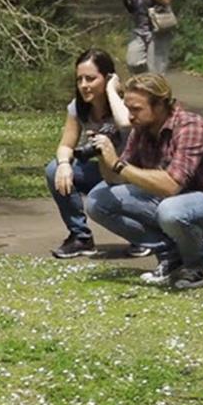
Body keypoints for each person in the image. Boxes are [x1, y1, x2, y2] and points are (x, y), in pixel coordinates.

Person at [85, 73, 203, 289]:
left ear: (159, 106)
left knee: (171, 211)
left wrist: (119, 165)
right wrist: (105, 156)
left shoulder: (191, 128)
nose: (129, 116)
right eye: (128, 108)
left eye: (136, 109)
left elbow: (171, 185)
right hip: (170, 201)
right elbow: (115, 179)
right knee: (98, 201)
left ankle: (198, 263)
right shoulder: (142, 128)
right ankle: (171, 256)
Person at [46, 48, 150, 259]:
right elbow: (65, 145)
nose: (84, 85)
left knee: (98, 197)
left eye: (91, 79)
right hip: (109, 172)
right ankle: (80, 237)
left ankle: (143, 235)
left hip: (136, 175)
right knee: (54, 168)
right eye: (79, 79)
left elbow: (125, 123)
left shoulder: (128, 102)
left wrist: (112, 91)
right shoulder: (78, 107)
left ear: (108, 77)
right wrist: (65, 164)